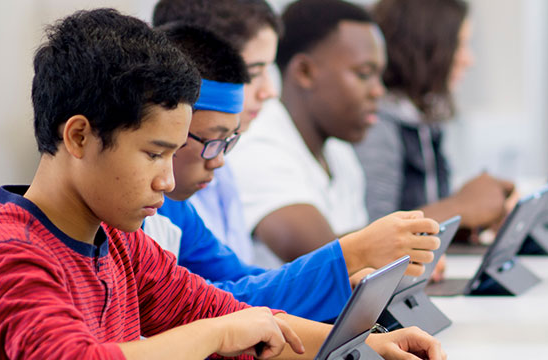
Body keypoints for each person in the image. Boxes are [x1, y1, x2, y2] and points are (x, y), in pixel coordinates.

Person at [0, 9, 444, 358]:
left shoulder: (121, 244)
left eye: (175, 154)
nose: (168, 178)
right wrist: (217, 336)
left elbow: (224, 311)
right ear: (78, 136)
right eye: (154, 153)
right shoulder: (7, 255)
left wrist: (369, 345)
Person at [143, 23, 440, 322]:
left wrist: (338, 282)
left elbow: (235, 284)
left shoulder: (176, 207)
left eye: (229, 142)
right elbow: (213, 308)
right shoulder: (143, 213)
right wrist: (350, 255)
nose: (219, 161)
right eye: (211, 140)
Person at [227, 0, 399, 265]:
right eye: (364, 74)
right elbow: (326, 260)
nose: (378, 91)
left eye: (379, 76)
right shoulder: (256, 144)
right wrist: (453, 211)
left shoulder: (338, 150)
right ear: (305, 72)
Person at [355, 0, 515, 235]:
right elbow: (372, 235)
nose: (469, 60)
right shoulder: (377, 126)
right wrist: (460, 207)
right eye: (459, 45)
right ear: (425, 46)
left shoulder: (424, 120)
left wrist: (475, 217)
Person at [152, 0, 281, 263]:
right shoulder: (165, 193)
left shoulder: (214, 166)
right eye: (254, 72)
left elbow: (230, 279)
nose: (270, 91)